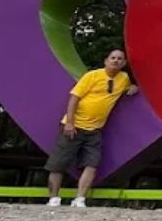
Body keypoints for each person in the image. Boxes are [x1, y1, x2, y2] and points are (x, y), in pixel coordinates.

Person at [44, 49, 139, 208]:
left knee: (92, 164)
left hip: (95, 130)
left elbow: (130, 87)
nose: (115, 61)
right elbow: (74, 97)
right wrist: (70, 122)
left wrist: (133, 88)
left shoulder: (123, 79)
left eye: (119, 59)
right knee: (58, 163)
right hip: (74, 126)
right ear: (106, 60)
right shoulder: (92, 76)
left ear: (124, 63)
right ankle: (53, 199)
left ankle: (80, 199)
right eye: (113, 58)